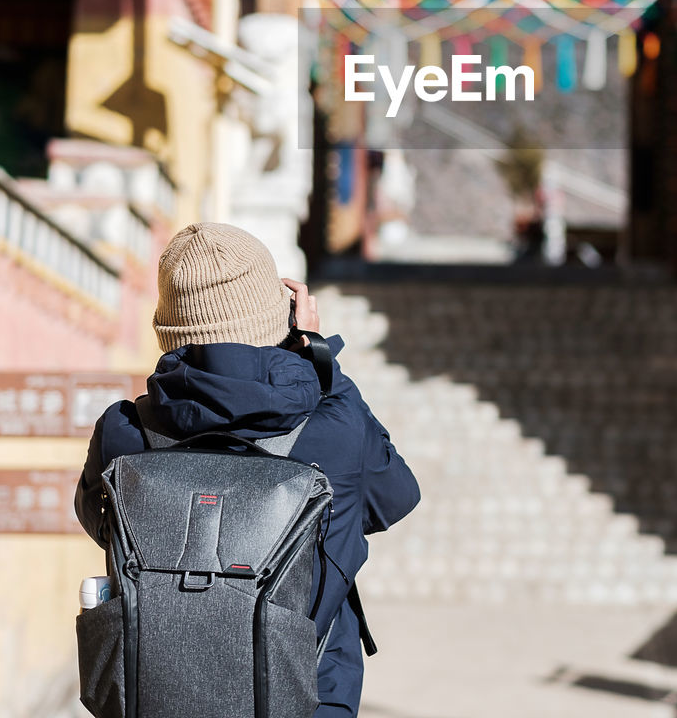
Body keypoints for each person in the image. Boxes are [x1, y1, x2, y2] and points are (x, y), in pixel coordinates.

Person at [75, 221, 421, 717]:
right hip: (309, 700)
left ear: (171, 326)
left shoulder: (123, 433)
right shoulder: (334, 429)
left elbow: (101, 524)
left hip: (153, 697)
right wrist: (320, 357)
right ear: (280, 316)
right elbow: (395, 496)